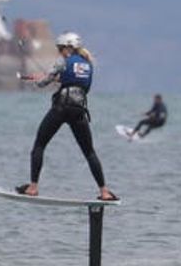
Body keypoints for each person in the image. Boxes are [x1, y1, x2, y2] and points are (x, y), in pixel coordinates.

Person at [17, 32, 118, 201]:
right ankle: (104, 192)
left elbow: (45, 81)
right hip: (79, 109)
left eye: (60, 49)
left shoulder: (63, 60)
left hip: (61, 108)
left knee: (39, 145)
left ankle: (33, 187)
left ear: (67, 48)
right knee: (89, 152)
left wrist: (37, 82)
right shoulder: (88, 64)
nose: (59, 52)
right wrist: (61, 79)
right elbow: (82, 86)